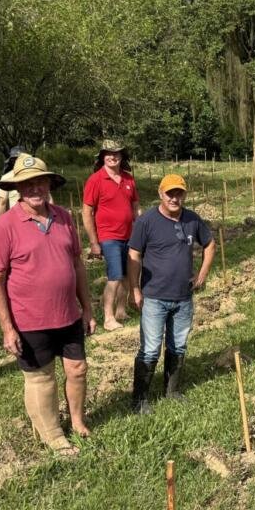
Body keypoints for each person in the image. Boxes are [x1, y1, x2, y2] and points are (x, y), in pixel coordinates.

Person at [0, 154, 95, 455]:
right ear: (18, 189)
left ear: (49, 184)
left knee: (77, 369)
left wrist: (87, 307)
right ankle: (53, 435)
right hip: (29, 319)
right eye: (28, 184)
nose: (35, 188)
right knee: (40, 377)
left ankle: (77, 421)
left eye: (40, 182)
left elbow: (77, 264)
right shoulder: (5, 226)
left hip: (68, 314)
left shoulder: (63, 217)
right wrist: (7, 328)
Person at [128, 174, 215, 413]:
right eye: (170, 193)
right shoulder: (146, 221)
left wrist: (202, 275)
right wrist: (135, 289)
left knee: (178, 345)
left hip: (183, 297)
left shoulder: (192, 219)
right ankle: (140, 399)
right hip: (154, 297)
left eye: (179, 193)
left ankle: (172, 391)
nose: (175, 198)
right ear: (160, 193)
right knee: (151, 347)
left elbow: (209, 244)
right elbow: (134, 255)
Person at [82, 140, 139, 331]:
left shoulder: (128, 179)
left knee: (126, 275)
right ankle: (108, 318)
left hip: (129, 235)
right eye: (108, 153)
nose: (112, 157)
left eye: (116, 153)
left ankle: (121, 311)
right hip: (109, 236)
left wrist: (139, 230)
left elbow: (134, 207)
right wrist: (93, 242)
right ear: (102, 157)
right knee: (114, 275)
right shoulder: (95, 180)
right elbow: (87, 212)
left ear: (122, 157)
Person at [0, 146, 26, 217]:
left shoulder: (35, 175)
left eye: (21, 159)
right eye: (15, 159)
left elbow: (47, 198)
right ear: (12, 161)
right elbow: (2, 203)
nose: (18, 161)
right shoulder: (7, 178)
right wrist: (1, 224)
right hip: (17, 219)